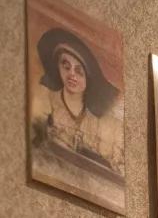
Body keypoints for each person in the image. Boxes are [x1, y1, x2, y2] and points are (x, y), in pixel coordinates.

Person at [30, 24, 124, 176]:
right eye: (66, 66)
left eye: (79, 71)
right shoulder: (46, 99)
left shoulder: (96, 122)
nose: (72, 75)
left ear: (88, 77)